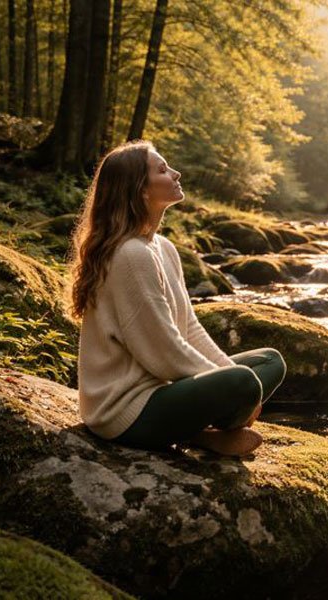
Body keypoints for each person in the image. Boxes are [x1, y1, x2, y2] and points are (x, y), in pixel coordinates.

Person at [69, 140, 285, 457]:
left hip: (164, 388)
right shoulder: (130, 254)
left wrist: (229, 380)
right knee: (244, 383)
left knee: (269, 362)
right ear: (141, 190)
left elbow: (190, 328)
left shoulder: (163, 248)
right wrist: (236, 389)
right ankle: (206, 432)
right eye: (162, 169)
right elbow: (165, 353)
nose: (176, 173)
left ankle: (204, 431)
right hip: (126, 410)